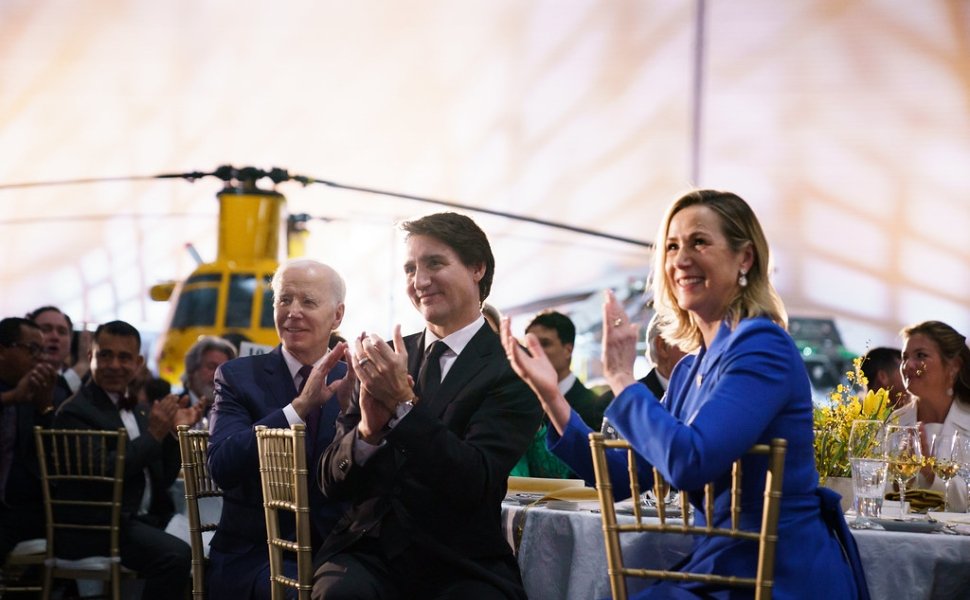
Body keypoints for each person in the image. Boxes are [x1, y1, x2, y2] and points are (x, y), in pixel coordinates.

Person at [501, 190, 868, 599]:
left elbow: (690, 461)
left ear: (744, 258)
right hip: (721, 568)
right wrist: (551, 396)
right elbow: (624, 478)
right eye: (672, 246)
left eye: (699, 242)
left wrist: (622, 378)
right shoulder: (690, 370)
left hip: (778, 574)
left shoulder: (763, 346)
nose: (680, 259)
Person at [313, 212, 542, 599]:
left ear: (476, 268)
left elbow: (476, 481)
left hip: (459, 558)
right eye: (409, 269)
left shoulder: (512, 367)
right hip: (369, 550)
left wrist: (403, 407)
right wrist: (367, 431)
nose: (420, 282)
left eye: (435, 263)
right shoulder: (383, 359)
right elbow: (328, 483)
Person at [207, 259, 354, 600]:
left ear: (337, 316)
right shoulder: (238, 376)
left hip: (338, 550)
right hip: (257, 553)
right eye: (284, 300)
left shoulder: (354, 379)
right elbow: (222, 466)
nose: (293, 312)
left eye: (308, 302)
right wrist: (298, 408)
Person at [54, 320, 196, 600]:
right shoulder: (75, 412)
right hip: (98, 524)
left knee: (212, 543)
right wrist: (154, 435)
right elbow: (104, 476)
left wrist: (173, 434)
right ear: (91, 356)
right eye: (105, 355)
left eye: (124, 357)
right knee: (175, 554)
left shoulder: (140, 411)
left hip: (138, 520)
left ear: (138, 363)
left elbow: (163, 478)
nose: (114, 365)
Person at [889, 321, 970, 511]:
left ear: (954, 366)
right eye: (904, 357)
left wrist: (929, 472)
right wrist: (899, 482)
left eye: (921, 356)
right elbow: (873, 488)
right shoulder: (893, 422)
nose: (908, 365)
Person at [0, 317, 57, 565]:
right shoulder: (17, 393)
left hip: (18, 508)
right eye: (31, 350)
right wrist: (12, 397)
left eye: (41, 351)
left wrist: (45, 408)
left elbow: (50, 460)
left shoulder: (33, 392)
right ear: (2, 351)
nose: (39, 359)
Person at [599, 311, 687, 404]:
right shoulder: (618, 404)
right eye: (694, 342)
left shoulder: (701, 392)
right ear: (663, 347)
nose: (702, 353)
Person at [26, 306, 91, 407]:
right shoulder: (15, 376)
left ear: (71, 340)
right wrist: (79, 368)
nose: (55, 337)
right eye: (46, 330)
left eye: (62, 332)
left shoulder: (89, 381)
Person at [181, 335, 237, 427]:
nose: (217, 374)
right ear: (192, 369)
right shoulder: (171, 409)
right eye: (211, 367)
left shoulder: (233, 415)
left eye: (224, 370)